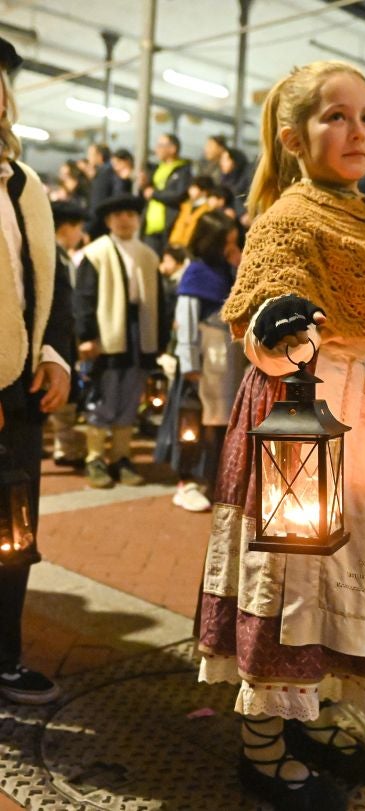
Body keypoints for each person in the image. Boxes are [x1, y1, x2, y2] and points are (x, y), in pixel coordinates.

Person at [193, 61, 365, 810]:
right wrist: (278, 320)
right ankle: (263, 746)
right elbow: (260, 302)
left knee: (349, 582)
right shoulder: (289, 215)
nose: (357, 131)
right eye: (335, 117)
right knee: (298, 581)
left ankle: (306, 720)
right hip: (309, 413)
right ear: (294, 136)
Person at [0, 35, 72, 704]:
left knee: (12, 533)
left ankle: (3, 653)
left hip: (15, 395)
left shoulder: (25, 184)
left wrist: (53, 354)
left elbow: (47, 282)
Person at [74, 195, 165, 489]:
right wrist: (87, 336)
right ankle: (96, 458)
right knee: (104, 397)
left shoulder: (148, 255)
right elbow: (84, 299)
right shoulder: (95, 252)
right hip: (108, 333)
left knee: (130, 397)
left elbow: (160, 304)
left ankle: (122, 458)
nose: (124, 219)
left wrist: (160, 341)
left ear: (138, 219)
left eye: (130, 214)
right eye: (118, 215)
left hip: (140, 332)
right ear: (108, 221)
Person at [155, 211, 243, 513]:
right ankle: (187, 480)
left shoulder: (227, 270)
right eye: (226, 243)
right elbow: (187, 321)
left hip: (226, 361)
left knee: (216, 423)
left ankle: (212, 478)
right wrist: (190, 362)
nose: (231, 248)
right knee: (192, 421)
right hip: (201, 363)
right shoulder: (197, 273)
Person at [48, 201, 88, 468]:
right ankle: (64, 446)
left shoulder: (59, 254)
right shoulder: (56, 256)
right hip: (55, 337)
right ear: (66, 228)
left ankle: (61, 444)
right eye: (78, 229)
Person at [141, 133, 192, 256]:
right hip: (150, 226)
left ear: (173, 149)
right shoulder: (156, 169)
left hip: (169, 226)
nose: (157, 149)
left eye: (160, 145)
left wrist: (154, 194)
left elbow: (179, 195)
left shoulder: (183, 171)